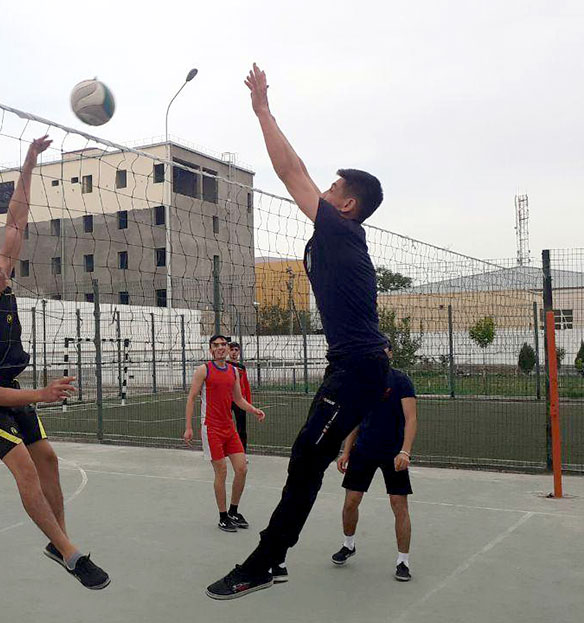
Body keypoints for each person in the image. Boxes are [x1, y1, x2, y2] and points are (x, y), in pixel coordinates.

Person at [206, 64, 389, 600]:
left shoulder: (340, 228)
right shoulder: (341, 238)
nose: (323, 191)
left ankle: (265, 561)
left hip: (357, 367)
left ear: (347, 204)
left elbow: (291, 172)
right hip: (354, 364)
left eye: (332, 188)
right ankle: (269, 558)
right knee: (305, 457)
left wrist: (262, 109)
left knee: (308, 458)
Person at [0, 135, 109, 590]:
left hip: (14, 391)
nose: (0, 268)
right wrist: (41, 393)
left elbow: (16, 219)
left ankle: (56, 544)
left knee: (50, 462)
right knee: (24, 468)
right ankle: (72, 553)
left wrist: (30, 161)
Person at [333, 343, 418, 581]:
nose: (379, 355)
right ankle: (348, 545)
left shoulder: (401, 381)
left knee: (398, 504)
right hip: (364, 450)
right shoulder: (363, 381)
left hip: (393, 452)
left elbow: (411, 419)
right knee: (351, 501)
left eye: (383, 350)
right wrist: (346, 451)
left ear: (390, 353)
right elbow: (356, 419)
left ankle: (403, 561)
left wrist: (405, 452)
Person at [184, 335, 265, 533]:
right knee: (221, 471)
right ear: (211, 349)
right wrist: (188, 427)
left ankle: (233, 511)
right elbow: (192, 397)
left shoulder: (233, 372)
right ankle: (222, 517)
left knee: (242, 469)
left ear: (228, 348)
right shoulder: (204, 370)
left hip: (229, 429)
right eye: (216, 345)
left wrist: (253, 410)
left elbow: (238, 399)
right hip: (211, 428)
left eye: (223, 345)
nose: (220, 348)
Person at [227, 341, 253, 452]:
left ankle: (243, 451)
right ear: (228, 351)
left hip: (240, 400)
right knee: (226, 426)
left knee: (242, 427)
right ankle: (225, 450)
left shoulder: (242, 367)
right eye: (231, 350)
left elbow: (246, 385)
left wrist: (249, 403)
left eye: (236, 350)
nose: (233, 352)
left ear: (239, 352)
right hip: (227, 400)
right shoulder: (225, 366)